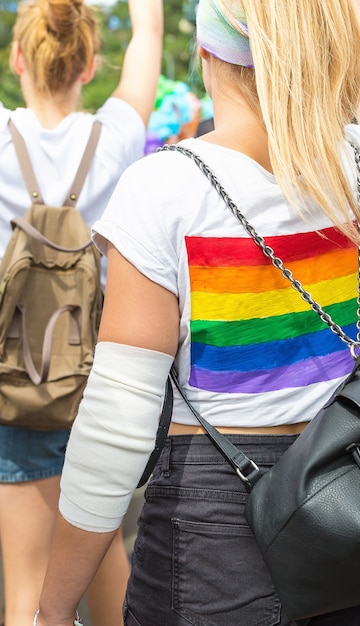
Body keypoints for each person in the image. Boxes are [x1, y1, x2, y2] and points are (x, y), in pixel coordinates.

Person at [36, 0, 360, 625]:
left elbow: (115, 431)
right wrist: (355, 23)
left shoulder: (168, 190)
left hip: (212, 537)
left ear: (208, 57)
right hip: (359, 512)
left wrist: (51, 609)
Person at [0, 0, 163, 625]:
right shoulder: (116, 139)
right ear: (91, 64)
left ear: (18, 57)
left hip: (18, 390)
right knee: (106, 575)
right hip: (100, 387)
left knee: (28, 596)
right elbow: (149, 28)